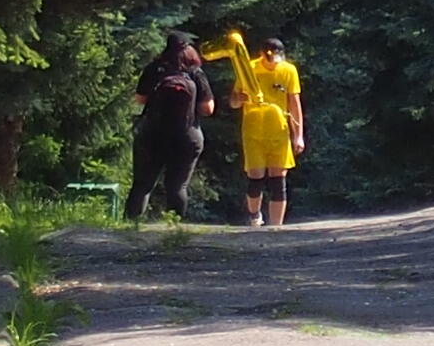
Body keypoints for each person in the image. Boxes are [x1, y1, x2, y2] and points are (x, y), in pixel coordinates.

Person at [129, 31, 214, 221]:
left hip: (152, 134)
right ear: (189, 49)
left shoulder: (154, 68)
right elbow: (208, 108)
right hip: (186, 136)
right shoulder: (195, 72)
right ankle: (175, 228)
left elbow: (139, 100)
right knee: (177, 186)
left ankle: (131, 226)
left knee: (142, 184)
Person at [232, 32, 309, 227]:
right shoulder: (249, 69)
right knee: (255, 177)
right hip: (254, 131)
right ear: (261, 54)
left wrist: (298, 136)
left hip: (279, 131)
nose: (272, 61)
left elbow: (294, 104)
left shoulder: (288, 71)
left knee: (278, 180)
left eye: (276, 57)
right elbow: (233, 101)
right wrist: (239, 99)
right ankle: (254, 216)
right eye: (269, 57)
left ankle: (276, 228)